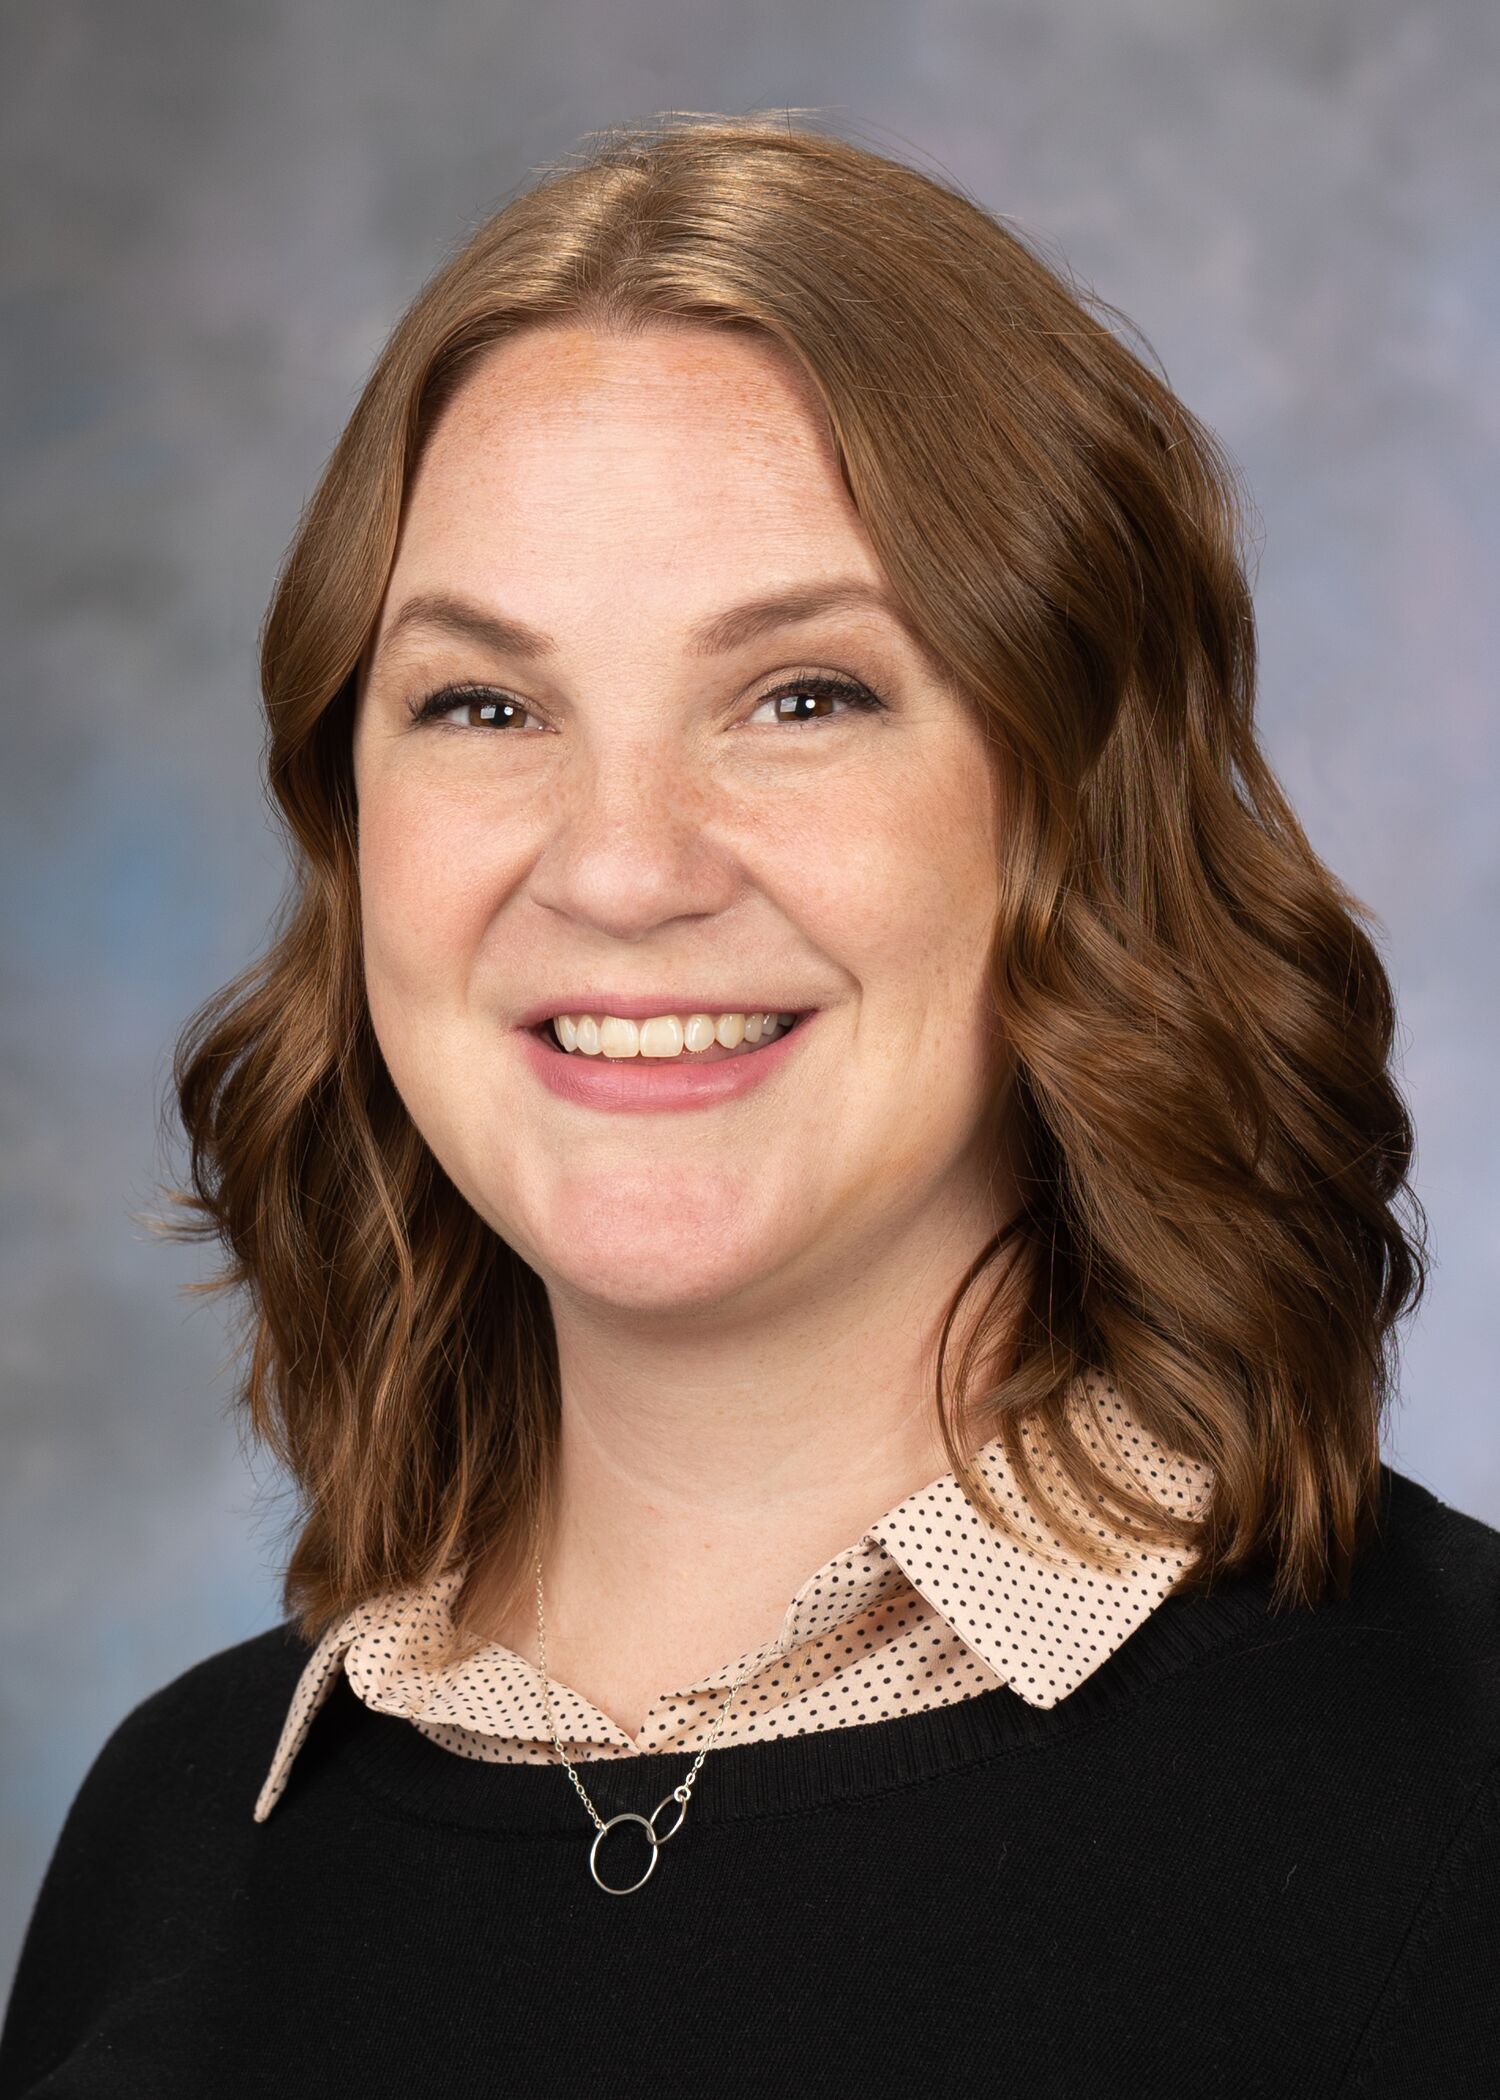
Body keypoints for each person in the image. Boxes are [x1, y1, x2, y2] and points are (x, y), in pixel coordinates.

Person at [2, 111, 1496, 2097]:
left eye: (804, 694)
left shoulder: (1461, 1790)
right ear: (349, 829)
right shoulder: (175, 1840)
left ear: (1074, 804)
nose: (622, 866)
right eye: (484, 704)